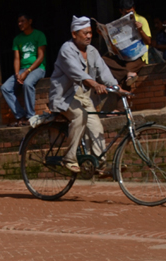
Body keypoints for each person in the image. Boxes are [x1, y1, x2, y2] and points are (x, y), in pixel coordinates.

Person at [49, 16, 124, 175]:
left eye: (90, 33)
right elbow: (76, 73)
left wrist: (119, 89)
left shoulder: (92, 51)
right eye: (85, 33)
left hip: (84, 96)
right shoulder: (66, 50)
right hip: (65, 96)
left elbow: (105, 73)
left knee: (96, 126)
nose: (89, 36)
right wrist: (96, 84)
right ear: (74, 34)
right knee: (80, 116)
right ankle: (69, 158)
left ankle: (100, 166)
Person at [0, 14, 47, 126]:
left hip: (37, 68)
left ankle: (30, 116)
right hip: (22, 69)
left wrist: (27, 72)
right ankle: (20, 115)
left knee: (27, 84)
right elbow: (17, 58)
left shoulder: (39, 35)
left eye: (23, 21)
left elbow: (40, 57)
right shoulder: (17, 39)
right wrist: (17, 74)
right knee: (5, 88)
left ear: (30, 21)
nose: (20, 24)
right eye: (18, 22)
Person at [101, 0, 152, 86]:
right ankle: (128, 74)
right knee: (103, 60)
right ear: (121, 11)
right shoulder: (118, 23)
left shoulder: (141, 20)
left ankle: (126, 77)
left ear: (134, 9)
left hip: (139, 57)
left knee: (123, 74)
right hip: (123, 56)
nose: (129, 15)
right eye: (126, 13)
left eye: (131, 12)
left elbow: (149, 42)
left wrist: (140, 30)